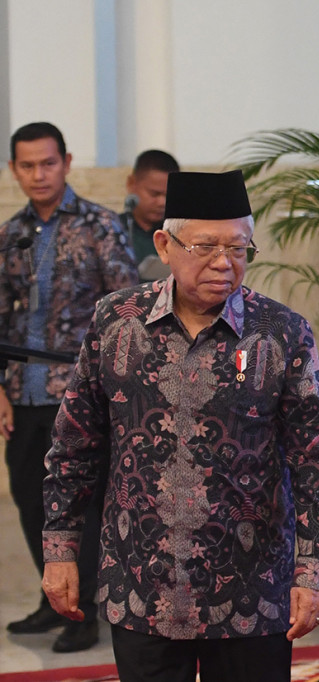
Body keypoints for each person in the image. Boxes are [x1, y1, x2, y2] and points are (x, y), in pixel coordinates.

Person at [40, 170, 319, 682]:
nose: (224, 263)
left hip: (252, 588)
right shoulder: (116, 321)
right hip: (140, 583)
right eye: (205, 246)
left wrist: (313, 572)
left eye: (240, 248)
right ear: (165, 244)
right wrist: (60, 550)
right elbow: (75, 442)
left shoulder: (281, 332)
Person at [0, 121, 138, 653]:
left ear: (67, 161)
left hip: (78, 393)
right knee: (30, 500)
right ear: (15, 169)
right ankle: (50, 597)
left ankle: (82, 612)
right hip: (23, 393)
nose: (39, 174)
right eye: (27, 165)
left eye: (48, 163)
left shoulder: (99, 225)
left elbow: (126, 307)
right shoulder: (11, 233)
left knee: (77, 505)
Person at [119, 149, 180, 281]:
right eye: (154, 194)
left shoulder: (178, 233)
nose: (162, 202)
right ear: (131, 183)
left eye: (168, 195)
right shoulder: (112, 229)